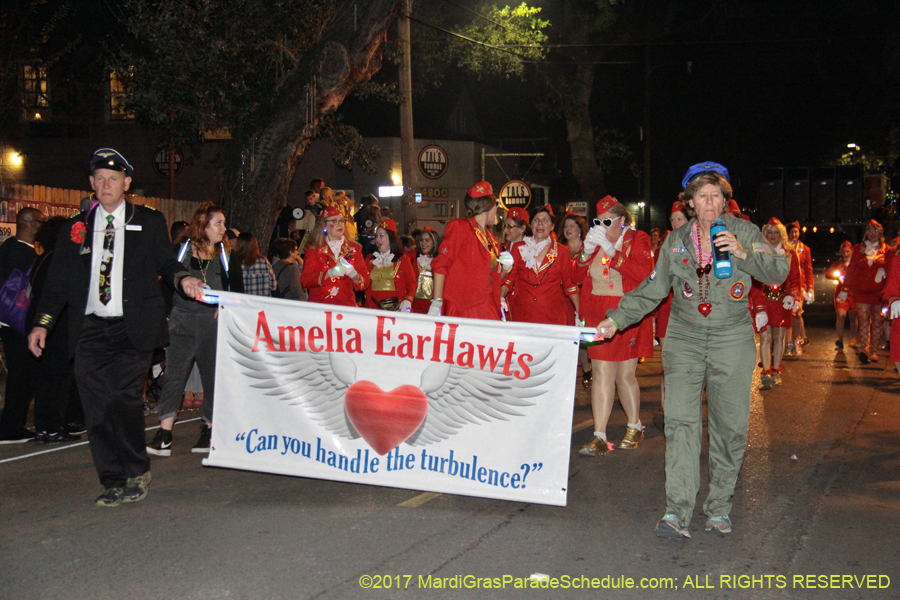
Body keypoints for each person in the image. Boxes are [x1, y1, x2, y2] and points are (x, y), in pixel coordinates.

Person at [594, 162, 788, 538]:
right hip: (684, 337)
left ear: (725, 199)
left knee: (729, 427)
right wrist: (615, 319)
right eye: (703, 195)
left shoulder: (745, 231)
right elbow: (652, 289)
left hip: (731, 335)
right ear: (691, 202)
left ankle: (719, 507)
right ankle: (677, 512)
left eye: (717, 195)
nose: (710, 202)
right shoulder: (676, 240)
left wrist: (744, 254)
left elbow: (778, 272)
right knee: (681, 423)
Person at [28, 148, 206, 507]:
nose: (105, 184)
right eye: (99, 178)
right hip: (90, 329)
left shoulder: (149, 221)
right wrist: (42, 324)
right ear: (92, 185)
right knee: (96, 407)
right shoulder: (75, 228)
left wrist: (184, 279)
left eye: (113, 178)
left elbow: (165, 263)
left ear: (127, 183)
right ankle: (113, 479)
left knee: (121, 400)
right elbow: (57, 283)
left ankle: (136, 471)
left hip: (131, 329)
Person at [146, 202, 244, 457]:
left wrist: (226, 307)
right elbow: (167, 280)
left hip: (212, 323)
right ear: (203, 226)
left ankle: (209, 428)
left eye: (223, 223)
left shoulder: (225, 255)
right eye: (218, 223)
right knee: (174, 377)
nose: (223, 228)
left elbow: (237, 290)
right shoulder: (182, 251)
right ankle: (164, 432)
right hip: (182, 321)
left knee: (212, 377)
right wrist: (167, 314)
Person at [575, 195, 653, 457]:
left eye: (607, 220)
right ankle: (599, 435)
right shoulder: (596, 241)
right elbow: (574, 276)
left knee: (624, 375)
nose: (602, 226)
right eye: (598, 221)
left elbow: (644, 275)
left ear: (622, 220)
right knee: (601, 372)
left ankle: (634, 425)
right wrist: (585, 253)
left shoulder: (637, 239)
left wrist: (611, 252)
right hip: (598, 313)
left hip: (626, 312)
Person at [26, 217, 82, 444]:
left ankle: (44, 427)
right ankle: (52, 427)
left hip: (41, 324)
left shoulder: (43, 259)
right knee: (59, 379)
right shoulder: (60, 261)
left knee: (46, 379)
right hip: (57, 327)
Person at [430, 182, 513, 319]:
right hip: (464, 307)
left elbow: (493, 279)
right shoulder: (460, 227)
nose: (496, 211)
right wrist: (437, 303)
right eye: (495, 206)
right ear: (488, 207)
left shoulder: (493, 240)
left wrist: (506, 268)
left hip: (488, 306)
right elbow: (441, 265)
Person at [0, 207, 45, 443]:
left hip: (6, 321)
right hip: (18, 323)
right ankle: (11, 427)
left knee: (20, 375)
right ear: (29, 222)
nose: (43, 227)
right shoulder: (25, 255)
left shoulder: (7, 247)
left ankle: (11, 422)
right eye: (41, 222)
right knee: (22, 376)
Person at [503, 205, 579, 326]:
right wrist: (500, 298)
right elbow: (509, 280)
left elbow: (570, 286)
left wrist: (579, 314)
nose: (540, 224)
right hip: (522, 316)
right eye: (536, 220)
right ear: (531, 225)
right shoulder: (519, 248)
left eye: (545, 220)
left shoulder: (562, 251)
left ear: (552, 226)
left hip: (552, 317)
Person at [751, 218, 801, 390]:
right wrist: (757, 305)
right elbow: (755, 279)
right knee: (765, 337)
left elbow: (795, 278)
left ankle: (777, 370)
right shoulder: (759, 253)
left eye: (776, 233)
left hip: (781, 301)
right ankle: (766, 371)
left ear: (782, 235)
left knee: (779, 336)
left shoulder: (789, 254)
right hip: (764, 301)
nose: (772, 236)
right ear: (764, 234)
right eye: (769, 233)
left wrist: (792, 295)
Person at [653, 201, 690, 430]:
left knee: (688, 363)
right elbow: (655, 282)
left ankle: (684, 406)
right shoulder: (664, 247)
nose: (675, 223)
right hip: (668, 310)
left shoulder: (700, 245)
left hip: (691, 312)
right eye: (673, 219)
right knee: (668, 361)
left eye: (680, 219)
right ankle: (664, 407)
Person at [301, 204, 369, 306]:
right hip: (320, 306)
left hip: (345, 306)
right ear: (324, 225)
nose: (340, 224)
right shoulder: (314, 249)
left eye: (341, 221)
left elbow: (366, 283)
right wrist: (328, 274)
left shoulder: (354, 248)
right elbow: (305, 280)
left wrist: (354, 275)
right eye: (333, 221)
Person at [845, 219, 891, 363]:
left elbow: (892, 269)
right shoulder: (859, 248)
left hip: (879, 293)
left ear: (880, 233)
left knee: (878, 322)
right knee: (863, 320)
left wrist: (884, 270)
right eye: (870, 230)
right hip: (861, 291)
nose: (873, 233)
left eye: (876, 231)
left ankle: (874, 351)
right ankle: (864, 348)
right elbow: (851, 269)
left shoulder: (887, 250)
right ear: (866, 233)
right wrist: (845, 288)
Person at [559, 212, 592, 389]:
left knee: (583, 338)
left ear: (580, 229)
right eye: (566, 226)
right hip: (563, 299)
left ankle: (587, 369)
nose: (568, 229)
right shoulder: (558, 250)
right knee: (568, 336)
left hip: (584, 296)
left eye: (572, 226)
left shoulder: (588, 249)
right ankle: (568, 375)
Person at [364, 219, 416, 311]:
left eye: (381, 236)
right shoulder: (370, 260)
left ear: (391, 238)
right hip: (373, 310)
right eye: (376, 236)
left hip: (397, 310)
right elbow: (362, 283)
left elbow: (412, 284)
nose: (377, 239)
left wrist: (407, 300)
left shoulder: (403, 260)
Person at [784, 222, 813, 357]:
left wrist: (810, 288)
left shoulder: (804, 249)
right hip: (784, 284)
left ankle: (797, 342)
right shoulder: (782, 247)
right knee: (785, 315)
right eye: (791, 232)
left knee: (796, 314)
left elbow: (808, 269)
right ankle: (787, 344)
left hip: (798, 286)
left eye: (796, 232)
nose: (794, 235)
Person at [825, 241, 857, 350]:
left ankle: (853, 338)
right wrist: (837, 277)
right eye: (843, 253)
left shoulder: (856, 263)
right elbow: (828, 274)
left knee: (853, 317)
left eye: (848, 252)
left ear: (852, 251)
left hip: (853, 292)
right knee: (841, 315)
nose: (846, 254)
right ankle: (840, 339)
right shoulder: (838, 263)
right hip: (841, 292)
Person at [233, 232, 276, 297]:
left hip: (244, 303)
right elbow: (273, 286)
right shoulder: (264, 261)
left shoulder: (236, 263)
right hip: (262, 304)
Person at [410, 227, 441, 314]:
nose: (423, 243)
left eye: (427, 240)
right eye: (422, 240)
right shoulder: (414, 260)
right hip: (415, 304)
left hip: (433, 305)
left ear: (434, 243)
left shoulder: (440, 261)